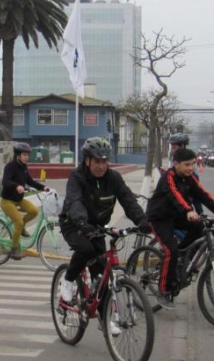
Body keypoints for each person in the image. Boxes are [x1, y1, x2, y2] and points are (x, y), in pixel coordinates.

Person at [58, 137, 148, 334]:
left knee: (101, 273)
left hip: (97, 227)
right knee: (86, 249)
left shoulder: (113, 178)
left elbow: (127, 199)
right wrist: (82, 223)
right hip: (74, 223)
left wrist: (142, 221)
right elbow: (75, 202)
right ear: (87, 160)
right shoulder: (77, 177)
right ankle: (68, 279)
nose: (101, 166)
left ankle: (104, 318)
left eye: (104, 161)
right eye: (97, 161)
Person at [147, 147, 214, 309]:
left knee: (200, 228)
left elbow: (204, 195)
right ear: (176, 164)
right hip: (159, 218)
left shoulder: (189, 178)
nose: (191, 168)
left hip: (177, 216)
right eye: (187, 164)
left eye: (193, 164)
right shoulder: (169, 177)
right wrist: (188, 210)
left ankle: (182, 258)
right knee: (170, 250)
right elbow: (175, 196)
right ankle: (164, 291)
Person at [0, 142, 50, 260]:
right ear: (18, 155)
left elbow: (31, 182)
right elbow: (5, 182)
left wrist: (43, 187)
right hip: (7, 201)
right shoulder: (10, 166)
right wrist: (16, 186)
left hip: (19, 200)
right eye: (24, 155)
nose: (26, 157)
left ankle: (21, 228)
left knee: (33, 211)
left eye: (28, 155)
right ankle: (14, 250)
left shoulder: (24, 168)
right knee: (19, 222)